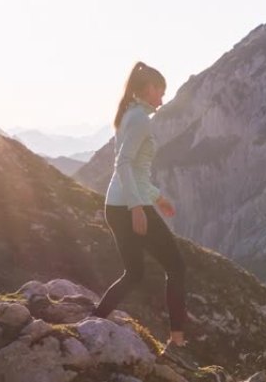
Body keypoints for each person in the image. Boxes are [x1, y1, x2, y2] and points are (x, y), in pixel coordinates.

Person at [92, 61, 190, 353]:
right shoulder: (139, 119)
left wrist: (157, 197)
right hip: (128, 206)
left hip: (116, 204)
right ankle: (177, 342)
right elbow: (122, 164)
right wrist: (138, 207)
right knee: (177, 266)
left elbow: (134, 170)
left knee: (134, 273)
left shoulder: (130, 115)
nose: (162, 99)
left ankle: (93, 321)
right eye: (160, 92)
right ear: (147, 89)